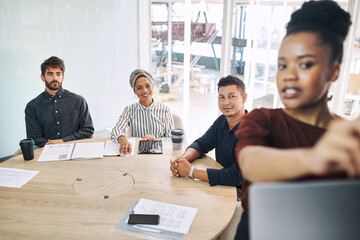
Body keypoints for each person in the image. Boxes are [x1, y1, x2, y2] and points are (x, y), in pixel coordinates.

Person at [234, 1, 358, 240]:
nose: (289, 75)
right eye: (282, 65)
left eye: (305, 64)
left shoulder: (349, 137)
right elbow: (250, 163)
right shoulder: (262, 119)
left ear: (334, 71)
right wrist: (314, 158)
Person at [170, 75, 247, 239]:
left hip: (243, 196)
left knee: (198, 216)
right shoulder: (222, 121)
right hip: (223, 186)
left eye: (231, 96)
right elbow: (202, 143)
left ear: (244, 97)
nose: (226, 102)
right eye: (221, 97)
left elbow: (235, 176)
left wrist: (190, 172)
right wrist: (182, 161)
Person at [25, 56, 94, 148]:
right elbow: (34, 137)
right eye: (50, 74)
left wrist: (62, 141)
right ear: (42, 77)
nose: (55, 78)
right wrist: (51, 146)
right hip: (46, 150)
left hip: (75, 147)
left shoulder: (78, 101)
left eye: (58, 74)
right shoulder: (32, 106)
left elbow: (87, 130)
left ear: (63, 77)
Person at [111, 69, 174, 155]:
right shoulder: (129, 109)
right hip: (137, 155)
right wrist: (122, 139)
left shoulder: (165, 110)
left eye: (147, 86)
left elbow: (171, 137)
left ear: (152, 86)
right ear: (135, 92)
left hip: (159, 155)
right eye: (139, 88)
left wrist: (156, 139)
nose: (145, 90)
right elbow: (116, 129)